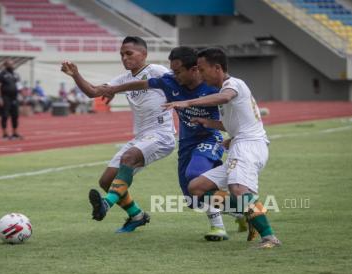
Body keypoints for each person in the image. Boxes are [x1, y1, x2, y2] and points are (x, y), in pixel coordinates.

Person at [102, 46, 246, 241]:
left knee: (196, 175)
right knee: (192, 199)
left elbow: (232, 112)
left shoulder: (214, 87)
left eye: (178, 71)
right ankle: (241, 211)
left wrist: (233, 135)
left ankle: (218, 227)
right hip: (186, 142)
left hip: (210, 138)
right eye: (172, 70)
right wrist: (113, 89)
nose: (173, 75)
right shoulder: (170, 82)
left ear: (194, 69)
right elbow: (140, 84)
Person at [162, 47, 281, 248]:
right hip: (239, 144)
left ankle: (269, 237)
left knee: (238, 189)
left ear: (217, 68)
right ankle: (252, 211)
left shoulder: (232, 84)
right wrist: (209, 123)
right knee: (196, 188)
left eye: (201, 68)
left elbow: (225, 97)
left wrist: (188, 102)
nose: (198, 73)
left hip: (248, 146)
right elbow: (233, 122)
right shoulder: (225, 90)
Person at [60, 36, 176, 233]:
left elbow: (178, 85)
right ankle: (137, 215)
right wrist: (75, 75)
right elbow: (93, 92)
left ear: (144, 54)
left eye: (129, 53)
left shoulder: (157, 71)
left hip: (161, 135)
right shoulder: (122, 79)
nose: (124, 58)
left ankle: (106, 204)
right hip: (141, 138)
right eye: (122, 54)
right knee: (106, 181)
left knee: (128, 158)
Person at [0, 60, 23, 140]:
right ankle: (4, 134)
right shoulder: (1, 74)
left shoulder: (15, 74)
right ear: (6, 65)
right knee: (5, 115)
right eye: (10, 64)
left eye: (12, 64)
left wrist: (20, 94)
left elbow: (18, 85)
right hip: (5, 97)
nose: (12, 65)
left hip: (14, 97)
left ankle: (15, 133)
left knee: (15, 115)